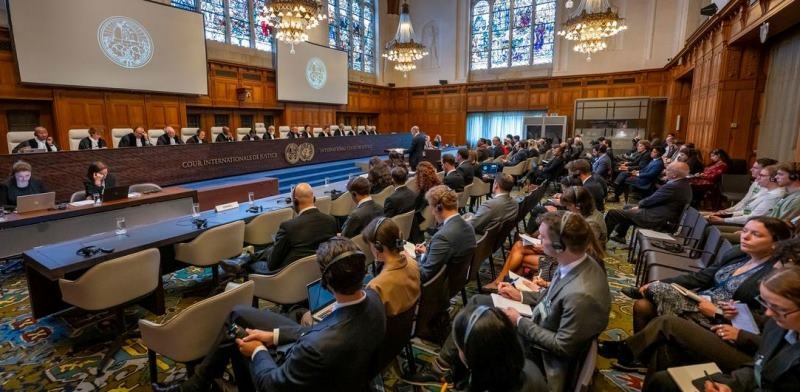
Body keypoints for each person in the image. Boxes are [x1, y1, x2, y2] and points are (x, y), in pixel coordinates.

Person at [407, 212, 611, 391]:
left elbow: (562, 347)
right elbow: (550, 297)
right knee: (479, 302)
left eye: (542, 236)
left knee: (479, 324)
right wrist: (520, 296)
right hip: (540, 323)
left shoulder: (582, 294)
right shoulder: (574, 261)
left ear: (560, 246)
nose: (538, 238)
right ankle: (448, 368)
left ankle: (449, 368)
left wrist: (519, 322)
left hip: (541, 358)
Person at [181, 237, 386, 392]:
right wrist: (273, 337)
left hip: (305, 371)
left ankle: (196, 384)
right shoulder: (375, 299)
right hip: (337, 358)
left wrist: (258, 351)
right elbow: (320, 332)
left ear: (325, 281)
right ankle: (198, 383)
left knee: (239, 338)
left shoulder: (315, 347)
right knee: (238, 314)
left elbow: (272, 384)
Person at [618, 216, 792, 335]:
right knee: (643, 305)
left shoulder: (775, 274)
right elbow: (701, 277)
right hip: (701, 300)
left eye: (755, 234)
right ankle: (638, 357)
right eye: (745, 231)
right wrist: (660, 281)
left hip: (721, 319)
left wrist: (717, 312)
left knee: (656, 292)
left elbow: (761, 319)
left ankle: (631, 348)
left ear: (776, 244)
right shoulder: (737, 253)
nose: (745, 237)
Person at [643, 266, 800, 392]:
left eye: (777, 308)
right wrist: (730, 386)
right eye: (766, 304)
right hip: (749, 383)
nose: (768, 313)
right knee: (664, 379)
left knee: (669, 326)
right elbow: (758, 365)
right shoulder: (778, 324)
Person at [484, 187, 607, 291]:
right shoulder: (587, 214)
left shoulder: (591, 224)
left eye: (568, 207)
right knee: (518, 246)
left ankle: (504, 285)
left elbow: (577, 252)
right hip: (564, 254)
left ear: (578, 206)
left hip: (567, 261)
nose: (567, 210)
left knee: (521, 256)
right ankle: (506, 285)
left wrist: (546, 247)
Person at [243, 183, 338, 274]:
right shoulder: (331, 220)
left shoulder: (288, 227)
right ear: (314, 199)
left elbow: (272, 264)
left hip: (286, 274)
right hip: (317, 269)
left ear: (295, 202)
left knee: (250, 264)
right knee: (269, 250)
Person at [605, 162, 692, 244]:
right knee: (627, 207)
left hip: (657, 218)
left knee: (612, 213)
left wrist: (640, 205)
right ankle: (620, 236)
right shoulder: (683, 183)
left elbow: (652, 199)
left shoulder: (673, 186)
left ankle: (602, 241)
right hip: (664, 214)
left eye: (668, 170)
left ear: (674, 175)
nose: (665, 171)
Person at [414, 185, 476, 282]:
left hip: (439, 287)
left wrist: (409, 260)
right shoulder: (468, 226)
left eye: (431, 207)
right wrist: (426, 253)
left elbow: (424, 275)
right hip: (457, 280)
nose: (432, 213)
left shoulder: (442, 237)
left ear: (438, 208)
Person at [361, 217, 420, 316]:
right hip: (407, 326)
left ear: (378, 247)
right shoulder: (413, 263)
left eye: (370, 245)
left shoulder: (376, 286)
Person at [708, 164, 785, 226]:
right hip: (746, 221)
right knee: (707, 218)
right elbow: (747, 211)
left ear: (773, 179)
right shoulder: (766, 191)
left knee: (708, 226)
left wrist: (724, 219)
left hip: (750, 226)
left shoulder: (774, 195)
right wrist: (728, 214)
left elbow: (753, 217)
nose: (758, 178)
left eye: (762, 176)